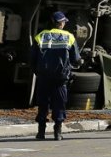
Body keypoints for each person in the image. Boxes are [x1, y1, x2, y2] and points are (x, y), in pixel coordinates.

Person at [30, 11, 82, 140]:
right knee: (59, 104)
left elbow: (32, 58)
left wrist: (37, 71)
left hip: (43, 77)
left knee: (43, 104)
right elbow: (76, 59)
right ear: (61, 23)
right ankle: (57, 133)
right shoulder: (69, 37)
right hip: (60, 78)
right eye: (64, 22)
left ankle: (41, 132)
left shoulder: (40, 36)